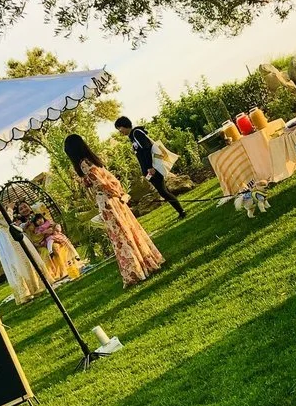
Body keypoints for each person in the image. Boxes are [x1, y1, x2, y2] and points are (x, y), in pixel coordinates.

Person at [63, 134, 164, 286]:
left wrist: (116, 193)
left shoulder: (84, 163)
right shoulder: (93, 160)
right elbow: (109, 179)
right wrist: (120, 193)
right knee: (128, 230)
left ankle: (135, 271)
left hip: (107, 201)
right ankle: (146, 262)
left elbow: (102, 185)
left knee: (121, 236)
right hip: (114, 199)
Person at [0, 186, 45, 305]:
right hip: (7, 236)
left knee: (14, 263)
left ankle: (25, 291)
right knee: (21, 259)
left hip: (1, 239)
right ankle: (34, 287)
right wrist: (10, 209)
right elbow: (6, 220)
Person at [114, 116, 185, 219]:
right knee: (163, 191)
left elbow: (147, 149)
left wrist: (150, 167)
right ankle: (180, 211)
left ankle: (181, 212)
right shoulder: (132, 136)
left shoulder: (136, 133)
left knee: (163, 191)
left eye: (119, 128)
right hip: (149, 169)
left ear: (124, 125)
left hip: (152, 168)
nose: (120, 131)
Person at [15, 199, 83, 283]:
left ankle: (65, 269)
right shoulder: (22, 225)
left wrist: (53, 229)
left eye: (25, 206)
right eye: (21, 209)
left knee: (55, 247)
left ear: (29, 207)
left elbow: (51, 224)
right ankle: (52, 274)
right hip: (37, 244)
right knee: (45, 252)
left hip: (49, 238)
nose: (24, 209)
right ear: (19, 213)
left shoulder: (38, 216)